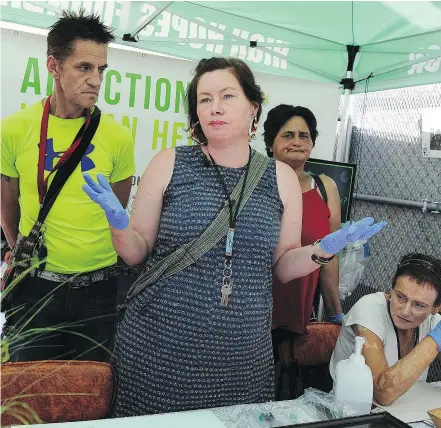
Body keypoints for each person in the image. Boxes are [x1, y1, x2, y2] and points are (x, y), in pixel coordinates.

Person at [83, 57, 386, 416]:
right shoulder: (169, 162)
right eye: (204, 99)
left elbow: (285, 266)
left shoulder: (280, 178)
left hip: (241, 355)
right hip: (158, 347)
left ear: (252, 108)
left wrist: (324, 249)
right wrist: (118, 224)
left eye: (227, 96)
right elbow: (136, 253)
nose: (215, 108)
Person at [1, 10, 135, 362]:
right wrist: (24, 253)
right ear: (54, 66)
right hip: (34, 289)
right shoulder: (15, 129)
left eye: (101, 70)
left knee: (87, 396)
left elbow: (117, 211)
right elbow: (7, 206)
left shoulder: (118, 137)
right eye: (84, 67)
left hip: (99, 290)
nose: (95, 80)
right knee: (27, 398)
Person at [263, 105, 344, 361]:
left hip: (300, 315)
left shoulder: (324, 187)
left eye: (304, 135)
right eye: (287, 135)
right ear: (270, 143)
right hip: (254, 316)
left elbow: (329, 257)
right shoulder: (254, 186)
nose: (297, 141)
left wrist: (335, 315)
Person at [330, 253, 441, 406]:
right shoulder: (368, 309)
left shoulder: (434, 322)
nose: (405, 311)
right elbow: (382, 393)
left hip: (407, 410)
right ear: (392, 287)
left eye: (419, 305)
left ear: (436, 307)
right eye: (400, 297)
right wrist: (435, 340)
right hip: (350, 410)